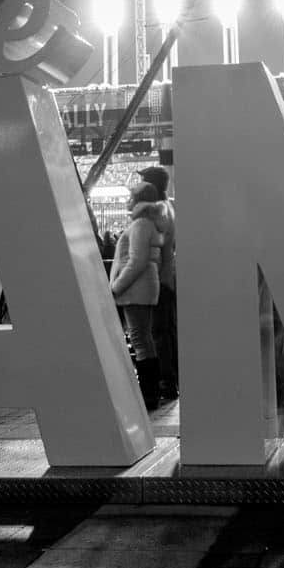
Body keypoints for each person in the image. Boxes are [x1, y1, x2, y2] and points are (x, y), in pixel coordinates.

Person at [110, 181, 166, 410]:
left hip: (135, 290)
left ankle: (148, 394)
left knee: (140, 340)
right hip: (142, 289)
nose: (127, 200)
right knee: (143, 339)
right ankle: (150, 392)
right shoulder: (147, 222)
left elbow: (136, 260)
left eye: (130, 196)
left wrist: (116, 287)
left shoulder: (141, 224)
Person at [138, 165, 179, 401]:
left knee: (157, 333)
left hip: (157, 279)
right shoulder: (169, 208)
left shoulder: (156, 212)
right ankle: (169, 379)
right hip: (167, 277)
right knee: (166, 331)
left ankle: (165, 381)